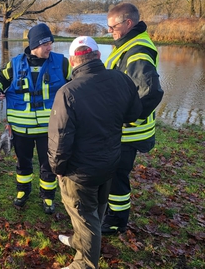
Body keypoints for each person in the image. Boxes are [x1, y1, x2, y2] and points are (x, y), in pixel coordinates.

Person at [48, 36, 142, 269]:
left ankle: (85, 263)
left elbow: (59, 139)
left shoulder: (68, 92)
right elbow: (133, 114)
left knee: (86, 216)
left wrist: (57, 169)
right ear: (98, 56)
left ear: (72, 61)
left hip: (80, 172)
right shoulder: (121, 79)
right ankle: (80, 240)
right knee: (96, 210)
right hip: (110, 161)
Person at [0, 23, 71, 212]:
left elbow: (78, 82)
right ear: (35, 45)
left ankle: (48, 197)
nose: (50, 47)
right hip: (21, 128)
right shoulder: (16, 63)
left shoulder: (61, 62)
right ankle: (23, 191)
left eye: (51, 43)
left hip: (49, 129)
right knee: (23, 162)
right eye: (46, 44)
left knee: (48, 164)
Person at [102, 2, 164, 235]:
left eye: (113, 27)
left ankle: (116, 221)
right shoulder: (129, 45)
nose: (110, 32)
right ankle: (113, 214)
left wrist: (126, 118)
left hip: (129, 131)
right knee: (114, 174)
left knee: (117, 177)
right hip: (124, 130)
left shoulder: (137, 51)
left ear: (128, 23)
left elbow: (151, 92)